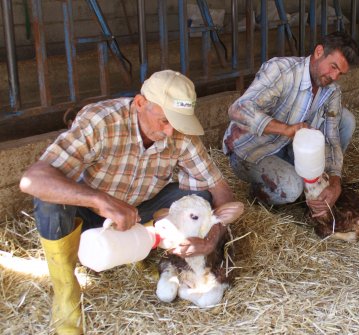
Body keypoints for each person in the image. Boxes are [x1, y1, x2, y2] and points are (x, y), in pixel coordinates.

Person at [20, 70, 238, 334]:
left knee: (200, 200)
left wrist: (211, 239)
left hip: (138, 211)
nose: (170, 131)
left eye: (177, 123)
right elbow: (32, 179)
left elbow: (220, 189)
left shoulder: (179, 134)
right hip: (87, 213)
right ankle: (66, 291)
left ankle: (148, 244)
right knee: (50, 200)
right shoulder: (101, 121)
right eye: (163, 121)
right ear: (139, 103)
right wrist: (100, 200)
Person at [222, 31, 359, 217]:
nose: (334, 76)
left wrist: (336, 182)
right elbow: (238, 109)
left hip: (289, 148)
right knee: (292, 188)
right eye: (333, 67)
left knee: (346, 121)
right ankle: (260, 193)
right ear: (319, 52)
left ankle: (310, 179)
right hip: (252, 149)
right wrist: (286, 129)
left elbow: (331, 137)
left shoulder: (331, 91)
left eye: (340, 73)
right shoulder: (281, 70)